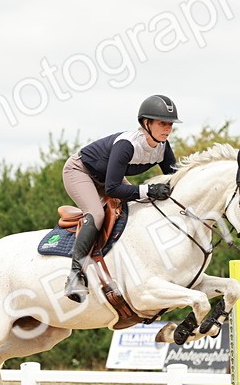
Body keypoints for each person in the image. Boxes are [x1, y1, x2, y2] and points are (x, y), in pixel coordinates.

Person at [62, 94, 181, 303]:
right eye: (163, 123)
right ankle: (74, 276)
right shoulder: (127, 145)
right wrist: (149, 190)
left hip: (107, 177)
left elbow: (175, 180)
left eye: (170, 124)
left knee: (141, 206)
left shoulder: (163, 147)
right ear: (146, 123)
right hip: (80, 171)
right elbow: (112, 188)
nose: (168, 128)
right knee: (97, 214)